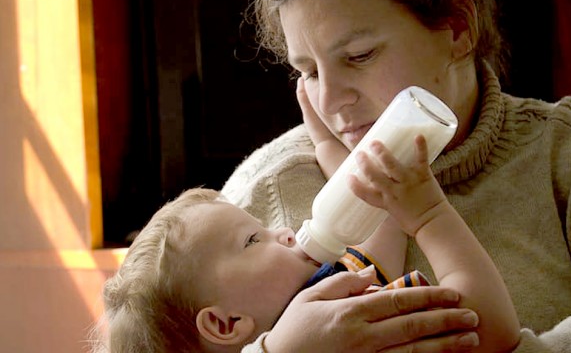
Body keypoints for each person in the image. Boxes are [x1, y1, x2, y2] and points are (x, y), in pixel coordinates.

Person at [220, 0, 571, 352]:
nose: (330, 101)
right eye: (307, 71)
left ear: (459, 29)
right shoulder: (264, 190)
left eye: (359, 55)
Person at [91, 127, 520, 352]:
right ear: (225, 324)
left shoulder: (329, 288)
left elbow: (380, 224)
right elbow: (491, 329)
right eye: (252, 241)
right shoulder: (353, 327)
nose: (282, 230)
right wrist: (430, 215)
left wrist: (329, 143)